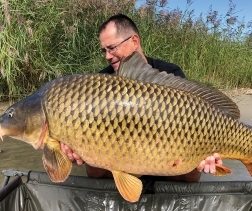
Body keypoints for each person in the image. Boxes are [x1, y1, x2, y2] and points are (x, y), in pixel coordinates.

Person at [60, 14, 222, 182]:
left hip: (167, 160)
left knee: (193, 172)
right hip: (120, 162)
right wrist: (78, 147)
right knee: (93, 168)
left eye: (112, 48)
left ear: (135, 41)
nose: (107, 56)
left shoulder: (170, 73)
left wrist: (202, 157)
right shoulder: (101, 82)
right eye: (104, 50)